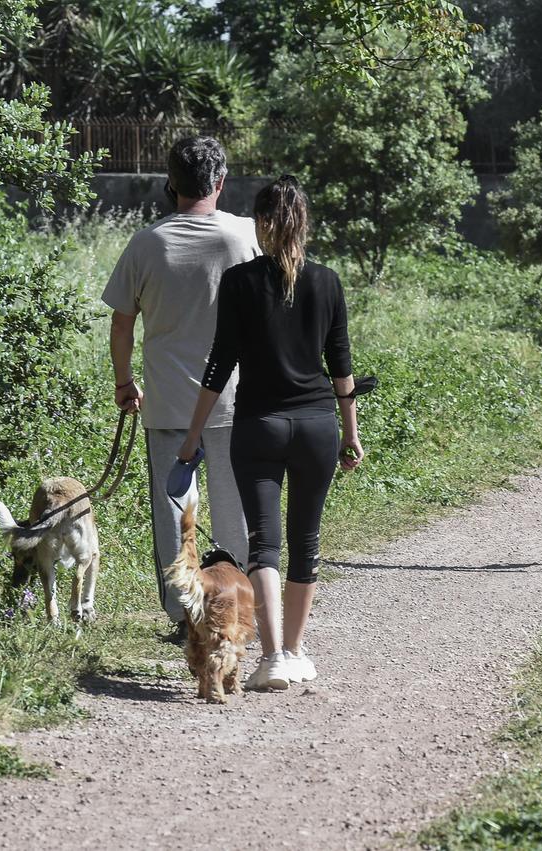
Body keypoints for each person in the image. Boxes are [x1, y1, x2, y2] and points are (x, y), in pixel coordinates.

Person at [177, 176, 365, 689]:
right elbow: (341, 366)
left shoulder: (239, 282)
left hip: (258, 427)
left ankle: (273, 655)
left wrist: (193, 436)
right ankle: (295, 652)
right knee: (306, 541)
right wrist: (350, 433)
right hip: (316, 425)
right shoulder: (327, 282)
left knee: (264, 543)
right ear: (304, 224)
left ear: (261, 224)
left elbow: (219, 364)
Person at [104, 136, 259, 640]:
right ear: (221, 181)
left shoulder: (146, 243)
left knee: (174, 514)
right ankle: (238, 611)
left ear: (170, 183)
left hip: (169, 402)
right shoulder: (245, 235)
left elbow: (122, 324)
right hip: (235, 400)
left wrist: (124, 382)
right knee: (237, 514)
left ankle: (186, 616)